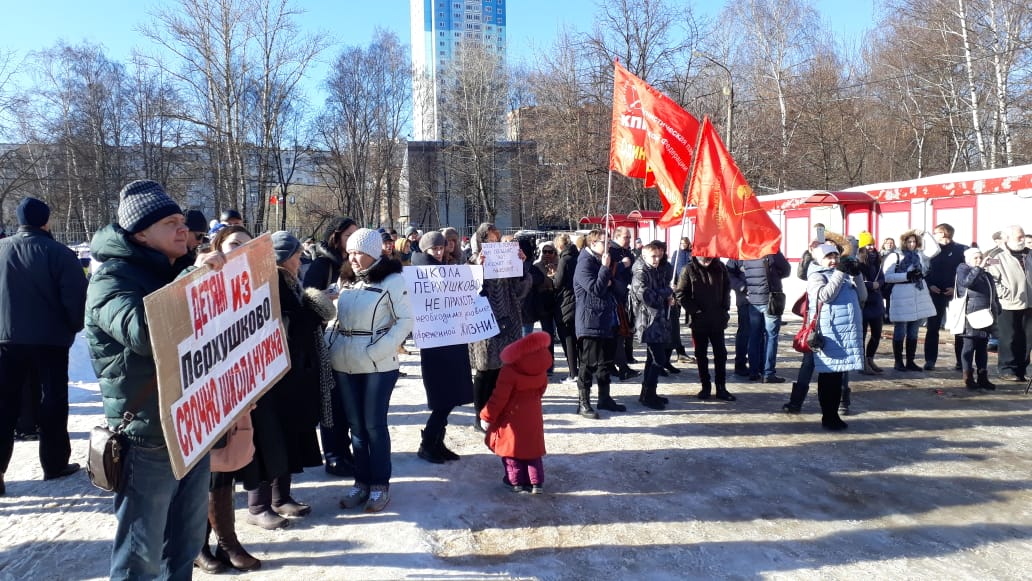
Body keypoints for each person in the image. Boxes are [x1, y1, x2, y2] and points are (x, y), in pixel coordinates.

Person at [85, 179, 223, 579]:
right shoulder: (112, 280)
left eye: (182, 220)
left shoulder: (176, 268)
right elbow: (147, 335)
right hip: (147, 435)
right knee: (140, 556)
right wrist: (193, 284)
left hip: (191, 427)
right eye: (170, 222)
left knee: (185, 543)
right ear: (140, 233)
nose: (184, 229)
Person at [240, 231, 333, 532]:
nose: (300, 260)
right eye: (295, 255)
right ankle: (259, 505)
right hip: (273, 378)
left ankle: (281, 497)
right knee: (269, 440)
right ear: (282, 258)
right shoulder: (272, 282)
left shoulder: (288, 281)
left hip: (290, 374)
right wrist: (314, 310)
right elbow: (286, 326)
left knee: (287, 436)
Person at [0, 197, 87, 496]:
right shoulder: (60, 254)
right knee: (52, 400)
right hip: (50, 339)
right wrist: (72, 326)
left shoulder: (1, 249)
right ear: (46, 221)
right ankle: (54, 462)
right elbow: (75, 298)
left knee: (4, 403)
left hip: (6, 339)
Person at [192, 225, 262, 573]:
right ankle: (202, 544)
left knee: (225, 468)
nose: (237, 252)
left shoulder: (248, 285)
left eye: (244, 247)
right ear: (217, 245)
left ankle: (224, 542)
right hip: (202, 391)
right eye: (233, 244)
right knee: (207, 471)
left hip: (234, 389)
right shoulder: (197, 278)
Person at [332, 228, 413, 513]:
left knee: (374, 426)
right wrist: (331, 343)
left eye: (359, 252)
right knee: (355, 429)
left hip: (377, 365)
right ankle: (361, 482)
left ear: (374, 253)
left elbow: (405, 321)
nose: (353, 257)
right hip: (344, 362)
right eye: (350, 251)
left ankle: (379, 485)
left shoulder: (392, 280)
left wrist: (377, 350)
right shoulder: (346, 280)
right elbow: (337, 319)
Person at [302, 217, 358, 478]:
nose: (353, 240)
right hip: (325, 344)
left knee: (346, 404)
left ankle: (344, 452)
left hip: (349, 342)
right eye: (349, 235)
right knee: (332, 404)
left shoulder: (354, 264)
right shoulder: (322, 265)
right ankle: (334, 456)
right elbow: (307, 303)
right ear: (336, 237)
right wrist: (326, 299)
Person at [413, 232, 473, 464]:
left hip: (452, 338)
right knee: (443, 397)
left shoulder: (449, 268)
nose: (438, 252)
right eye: (433, 249)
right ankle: (428, 442)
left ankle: (437, 441)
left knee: (451, 395)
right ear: (425, 250)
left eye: (441, 248)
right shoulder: (420, 272)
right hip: (436, 343)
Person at [468, 223, 531, 432]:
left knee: (501, 370)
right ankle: (479, 417)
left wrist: (521, 266)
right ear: (480, 241)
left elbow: (520, 290)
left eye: (496, 240)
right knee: (484, 371)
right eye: (489, 241)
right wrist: (478, 267)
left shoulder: (507, 259)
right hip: (483, 321)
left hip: (507, 320)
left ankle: (493, 413)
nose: (493, 244)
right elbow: (468, 290)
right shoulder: (471, 261)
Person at [480, 331, 550, 494]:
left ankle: (515, 481)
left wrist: (486, 416)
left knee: (512, 450)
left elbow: (499, 398)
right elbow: (542, 389)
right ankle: (536, 482)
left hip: (511, 418)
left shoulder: (509, 371)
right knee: (532, 449)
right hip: (533, 415)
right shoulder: (541, 369)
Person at [805, 243, 864, 431]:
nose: (833, 261)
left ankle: (833, 414)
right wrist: (839, 272)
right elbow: (825, 296)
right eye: (828, 257)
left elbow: (863, 296)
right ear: (819, 259)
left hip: (846, 333)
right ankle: (828, 415)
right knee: (829, 376)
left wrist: (857, 274)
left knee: (838, 377)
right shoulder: (816, 275)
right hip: (829, 333)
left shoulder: (844, 275)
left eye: (836, 257)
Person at [573, 229, 625, 417]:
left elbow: (618, 287)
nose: (608, 246)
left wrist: (609, 276)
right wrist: (604, 270)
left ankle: (604, 398)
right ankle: (583, 403)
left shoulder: (605, 261)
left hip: (606, 319)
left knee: (605, 362)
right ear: (592, 244)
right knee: (588, 363)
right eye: (605, 242)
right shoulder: (584, 263)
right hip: (590, 321)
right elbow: (596, 289)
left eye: (609, 242)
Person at [676, 253, 735, 402]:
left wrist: (724, 309)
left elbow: (727, 289)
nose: (706, 258)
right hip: (698, 320)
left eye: (709, 255)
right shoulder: (688, 269)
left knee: (720, 354)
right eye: (703, 255)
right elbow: (680, 293)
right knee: (701, 355)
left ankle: (721, 387)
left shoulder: (720, 267)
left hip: (717, 319)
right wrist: (695, 310)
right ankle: (705, 386)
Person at [726, 250, 791, 382]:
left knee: (755, 335)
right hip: (755, 299)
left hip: (753, 299)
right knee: (760, 335)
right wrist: (742, 286)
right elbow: (786, 269)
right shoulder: (769, 250)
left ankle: (756, 369)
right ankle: (762, 370)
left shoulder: (746, 252)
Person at [882, 229, 939, 372]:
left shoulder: (919, 255)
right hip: (901, 293)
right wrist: (907, 276)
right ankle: (898, 361)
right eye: (909, 241)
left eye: (914, 241)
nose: (912, 244)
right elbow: (887, 277)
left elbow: (935, 249)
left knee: (914, 332)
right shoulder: (895, 256)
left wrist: (925, 233)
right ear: (904, 242)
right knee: (900, 330)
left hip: (918, 294)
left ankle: (910, 361)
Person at [630, 241, 675, 410]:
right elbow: (647, 297)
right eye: (653, 256)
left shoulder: (654, 269)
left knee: (652, 359)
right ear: (644, 255)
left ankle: (648, 393)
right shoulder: (640, 271)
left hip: (657, 319)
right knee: (658, 359)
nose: (657, 259)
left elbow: (660, 291)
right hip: (647, 321)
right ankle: (648, 395)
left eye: (659, 256)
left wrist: (668, 297)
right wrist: (666, 293)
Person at [983, 225, 1032, 382]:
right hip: (1008, 303)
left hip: (1029, 302)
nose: (1022, 239)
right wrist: (1005, 294)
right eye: (1019, 237)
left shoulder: (1028, 254)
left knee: (1027, 338)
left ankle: (1022, 368)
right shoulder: (997, 255)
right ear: (1008, 238)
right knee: (1009, 337)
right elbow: (992, 277)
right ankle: (1007, 369)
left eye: (1023, 236)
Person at [924, 224, 968, 371]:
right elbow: (924, 271)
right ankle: (930, 360)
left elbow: (967, 272)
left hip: (955, 293)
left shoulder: (961, 250)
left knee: (959, 328)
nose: (933, 235)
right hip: (935, 293)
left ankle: (961, 361)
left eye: (935, 232)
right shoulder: (930, 251)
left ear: (943, 234)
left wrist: (956, 288)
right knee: (932, 328)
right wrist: (929, 285)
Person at [956, 247, 999, 390]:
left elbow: (993, 293)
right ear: (968, 259)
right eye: (976, 258)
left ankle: (982, 376)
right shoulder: (963, 269)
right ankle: (968, 377)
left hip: (986, 315)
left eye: (981, 257)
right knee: (969, 347)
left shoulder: (985, 274)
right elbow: (967, 283)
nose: (979, 260)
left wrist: (997, 308)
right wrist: (979, 268)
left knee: (982, 347)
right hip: (971, 314)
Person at [608, 226, 640, 379]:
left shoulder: (628, 252)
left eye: (629, 237)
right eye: (625, 237)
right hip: (614, 298)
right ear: (617, 236)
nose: (628, 240)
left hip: (626, 298)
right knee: (617, 334)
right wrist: (622, 265)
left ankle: (618, 364)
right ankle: (619, 366)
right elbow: (607, 272)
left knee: (623, 333)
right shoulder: (611, 251)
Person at [857, 231, 886, 374]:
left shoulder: (877, 261)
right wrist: (871, 285)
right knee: (861, 335)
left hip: (876, 302)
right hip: (863, 303)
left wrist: (878, 284)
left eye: (872, 244)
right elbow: (857, 281)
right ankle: (862, 363)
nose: (871, 247)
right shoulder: (858, 263)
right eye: (868, 244)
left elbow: (882, 277)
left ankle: (870, 358)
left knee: (876, 333)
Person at [552, 233, 579, 385]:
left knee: (567, 339)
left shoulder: (564, 258)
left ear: (559, 246)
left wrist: (552, 277)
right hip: (577, 300)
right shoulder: (577, 255)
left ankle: (573, 373)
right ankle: (578, 371)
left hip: (566, 301)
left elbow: (558, 282)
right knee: (576, 339)